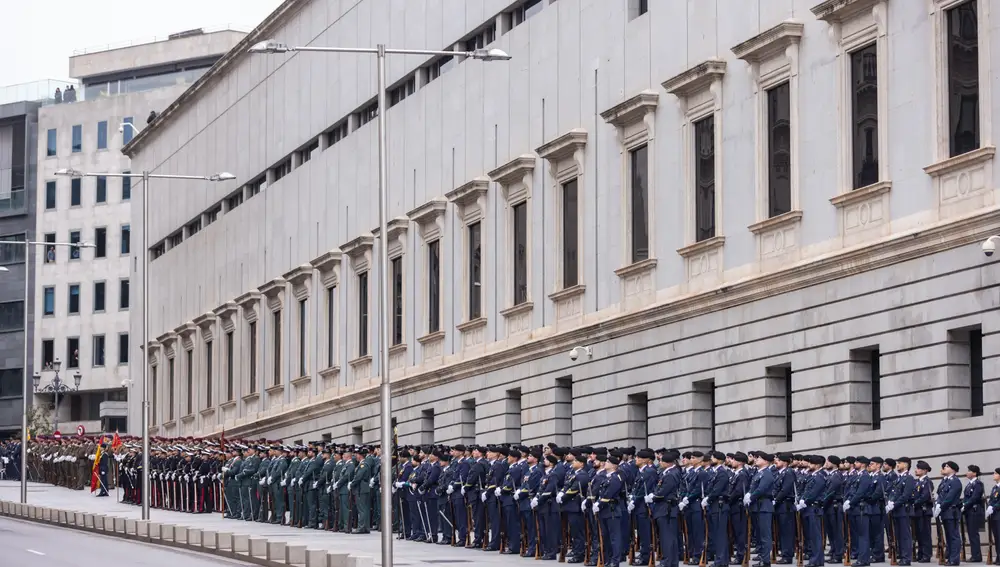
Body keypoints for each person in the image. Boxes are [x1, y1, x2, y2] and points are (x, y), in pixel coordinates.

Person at [936, 461, 962, 566]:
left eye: (947, 466)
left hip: (952, 512)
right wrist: (937, 504)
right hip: (946, 512)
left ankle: (954, 559)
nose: (945, 468)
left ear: (953, 469)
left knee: (954, 536)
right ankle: (950, 557)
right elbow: (940, 495)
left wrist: (941, 506)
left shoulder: (955, 481)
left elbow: (949, 498)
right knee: (948, 536)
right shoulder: (945, 481)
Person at [962, 464, 985, 563]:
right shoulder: (969, 484)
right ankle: (974, 554)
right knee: (971, 534)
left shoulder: (978, 484)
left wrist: (965, 505)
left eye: (969, 471)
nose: (967, 472)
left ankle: (976, 556)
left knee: (973, 534)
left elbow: (975, 497)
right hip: (969, 511)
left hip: (974, 511)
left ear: (974, 473)